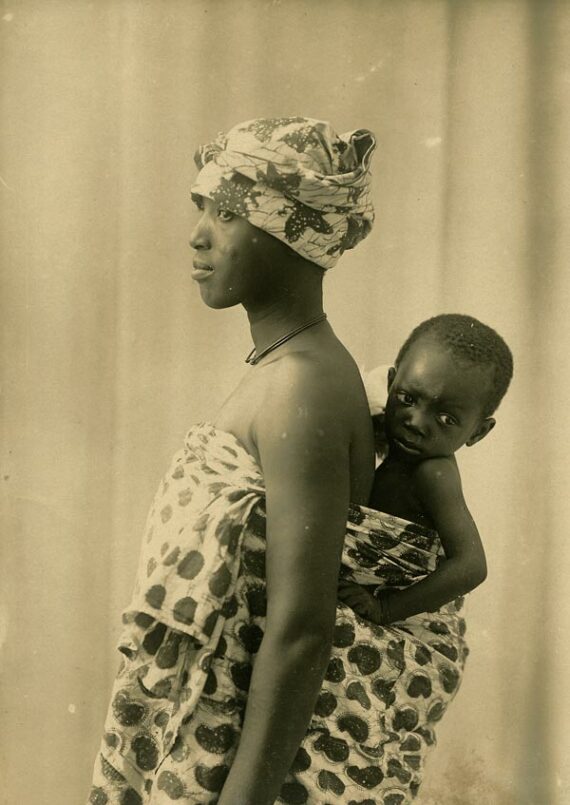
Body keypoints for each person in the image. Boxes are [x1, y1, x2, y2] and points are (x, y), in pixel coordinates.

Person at [88, 116, 378, 805]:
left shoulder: (301, 385)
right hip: (197, 741)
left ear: (291, 229)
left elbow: (301, 630)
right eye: (202, 210)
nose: (197, 235)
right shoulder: (283, 368)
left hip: (226, 771)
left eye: (226, 213)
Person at [338, 313, 514, 627]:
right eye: (407, 399)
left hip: (405, 624)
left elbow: (472, 565)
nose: (416, 423)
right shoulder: (385, 434)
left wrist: (386, 609)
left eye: (447, 419)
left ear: (478, 432)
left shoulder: (434, 473)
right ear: (390, 383)